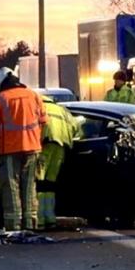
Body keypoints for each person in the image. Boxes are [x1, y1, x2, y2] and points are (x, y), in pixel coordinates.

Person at [0, 67, 47, 233]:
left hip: (9, 150)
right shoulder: (34, 95)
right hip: (33, 148)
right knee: (29, 186)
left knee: (11, 187)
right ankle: (30, 222)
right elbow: (43, 121)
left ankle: (14, 225)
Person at [36, 93, 81, 229]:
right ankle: (50, 217)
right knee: (50, 183)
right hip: (61, 146)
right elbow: (76, 128)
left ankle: (39, 219)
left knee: (39, 182)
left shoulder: (39, 107)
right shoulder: (61, 109)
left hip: (45, 144)